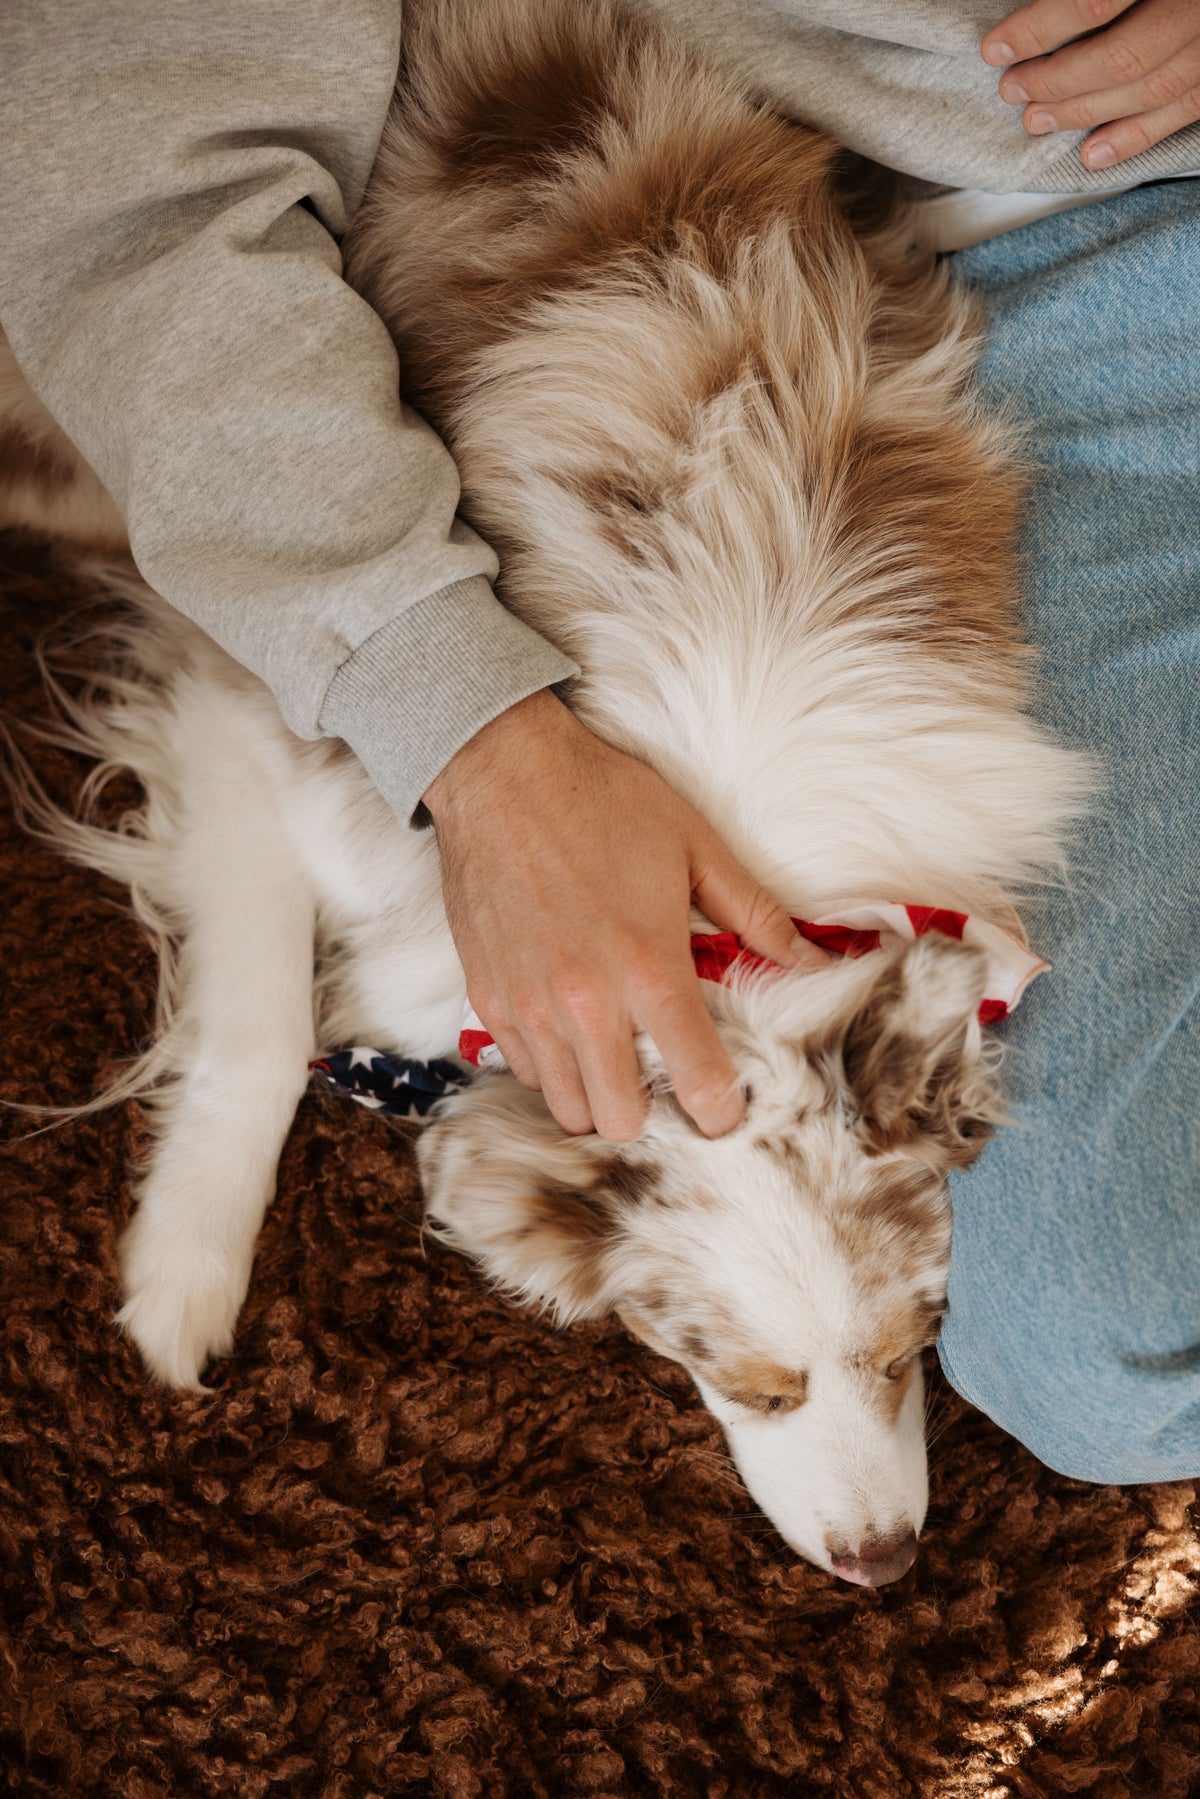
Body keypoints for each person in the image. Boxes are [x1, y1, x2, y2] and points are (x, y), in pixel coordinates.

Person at [1, 0, 1197, 1479]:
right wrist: (476, 733)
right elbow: (135, 209)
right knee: (1107, 1370)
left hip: (1105, 208)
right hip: (952, 259)